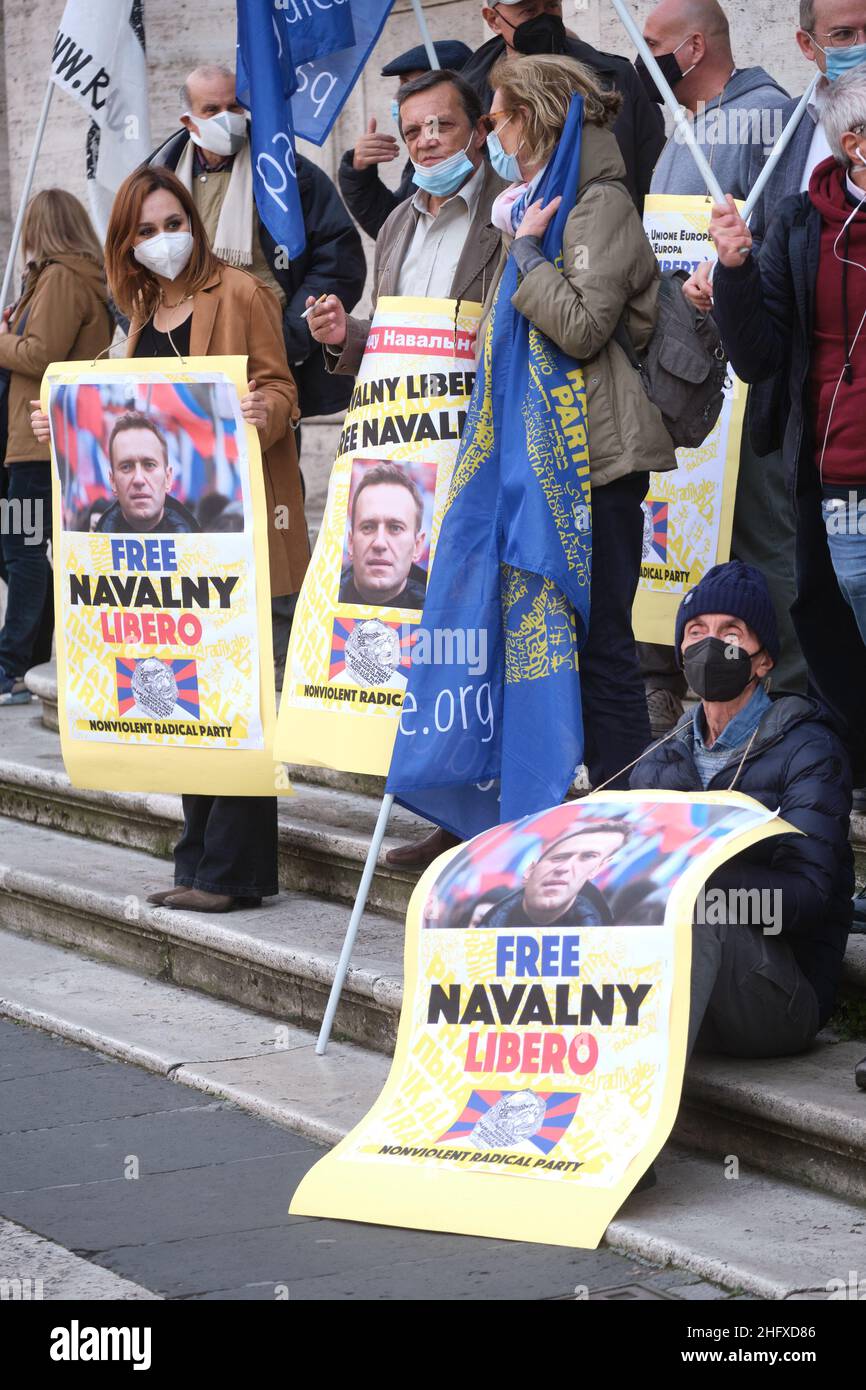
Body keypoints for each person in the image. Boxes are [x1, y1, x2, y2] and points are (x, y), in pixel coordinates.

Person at [383, 54, 676, 869]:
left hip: (595, 464)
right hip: (526, 460)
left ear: (540, 117)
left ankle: (623, 834)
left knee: (604, 647)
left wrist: (525, 255)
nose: (490, 135)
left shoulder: (599, 203)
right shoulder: (531, 203)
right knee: (519, 640)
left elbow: (580, 328)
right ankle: (504, 813)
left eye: (498, 118)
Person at [33, 166, 309, 913]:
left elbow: (284, 387)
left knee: (240, 697)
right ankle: (199, 861)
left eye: (172, 223)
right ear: (127, 243)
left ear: (193, 219)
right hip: (173, 548)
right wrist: (60, 421)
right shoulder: (141, 312)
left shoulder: (242, 292)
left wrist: (263, 409)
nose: (163, 241)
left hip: (240, 535)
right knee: (198, 706)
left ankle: (233, 874)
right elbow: (125, 411)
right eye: (146, 231)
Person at [636, 0, 803, 735]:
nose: (643, 61)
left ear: (694, 47)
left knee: (766, 535)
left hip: (745, 371)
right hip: (689, 371)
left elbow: (781, 231)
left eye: (653, 46)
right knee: (709, 543)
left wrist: (730, 274)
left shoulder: (769, 118)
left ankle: (797, 698)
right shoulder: (690, 128)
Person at [707, 65, 866, 804]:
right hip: (829, 478)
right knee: (834, 629)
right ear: (854, 144)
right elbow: (759, 356)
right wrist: (735, 271)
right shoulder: (801, 224)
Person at [630, 562, 853, 1063]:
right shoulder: (659, 757)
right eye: (696, 632)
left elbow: (809, 898)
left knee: (697, 911)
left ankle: (626, 1101)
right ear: (681, 652)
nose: (711, 645)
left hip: (778, 995)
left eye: (731, 632)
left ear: (764, 660)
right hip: (682, 986)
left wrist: (697, 886)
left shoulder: (810, 750)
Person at [148, 63, 366, 422]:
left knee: (266, 469)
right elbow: (122, 267)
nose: (227, 118)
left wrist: (288, 337)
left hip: (265, 361)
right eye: (211, 110)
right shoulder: (156, 182)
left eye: (234, 107)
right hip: (179, 362)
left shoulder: (289, 175)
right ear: (188, 121)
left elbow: (338, 259)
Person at [307, 69, 506, 376]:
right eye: (413, 132)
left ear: (480, 132)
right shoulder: (396, 223)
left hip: (486, 412)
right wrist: (344, 333)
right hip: (411, 417)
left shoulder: (512, 209)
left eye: (442, 125)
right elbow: (388, 332)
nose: (426, 141)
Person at [0, 189, 111, 706]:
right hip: (31, 444)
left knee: (21, 549)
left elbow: (42, 353)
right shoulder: (56, 278)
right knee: (22, 550)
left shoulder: (62, 278)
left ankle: (15, 664)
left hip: (38, 446)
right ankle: (30, 653)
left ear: (42, 228)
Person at [460, 0, 665, 210]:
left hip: (608, 230)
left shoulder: (615, 76)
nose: (544, 19)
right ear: (493, 20)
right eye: (529, 11)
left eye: (552, 6)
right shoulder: (468, 95)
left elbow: (655, 171)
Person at [339, 40, 474, 240]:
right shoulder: (419, 157)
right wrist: (360, 172)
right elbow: (396, 230)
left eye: (409, 86)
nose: (426, 143)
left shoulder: (488, 161)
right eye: (412, 133)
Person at [475, 824, 629, 929]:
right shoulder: (478, 932)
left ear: (595, 871)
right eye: (559, 857)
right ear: (530, 870)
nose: (564, 868)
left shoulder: (609, 948)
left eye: (587, 857)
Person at [95, 413, 200, 534]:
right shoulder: (86, 552)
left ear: (168, 478)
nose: (138, 479)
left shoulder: (204, 552)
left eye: (149, 465)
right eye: (126, 467)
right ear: (112, 481)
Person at [340, 464, 427, 607]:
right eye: (368, 527)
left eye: (395, 528)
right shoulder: (318, 606)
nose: (379, 543)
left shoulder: (443, 619)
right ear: (350, 542)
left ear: (417, 546)